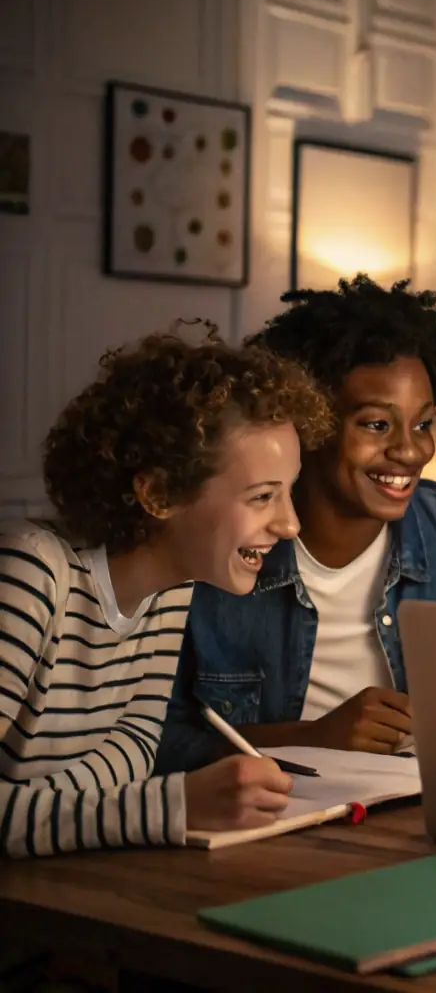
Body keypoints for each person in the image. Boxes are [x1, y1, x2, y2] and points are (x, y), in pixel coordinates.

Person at [156, 275, 436, 774]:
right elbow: (148, 743)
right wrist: (312, 739)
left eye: (422, 424)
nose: (409, 450)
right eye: (376, 424)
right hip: (267, 817)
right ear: (309, 424)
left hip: (428, 810)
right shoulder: (218, 545)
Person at [0, 323, 334, 858]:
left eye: (288, 493)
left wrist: (36, 807)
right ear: (158, 493)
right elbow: (132, 787)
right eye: (262, 496)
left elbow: (134, 747)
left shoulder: (172, 590)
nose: (290, 524)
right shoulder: (34, 573)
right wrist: (167, 805)